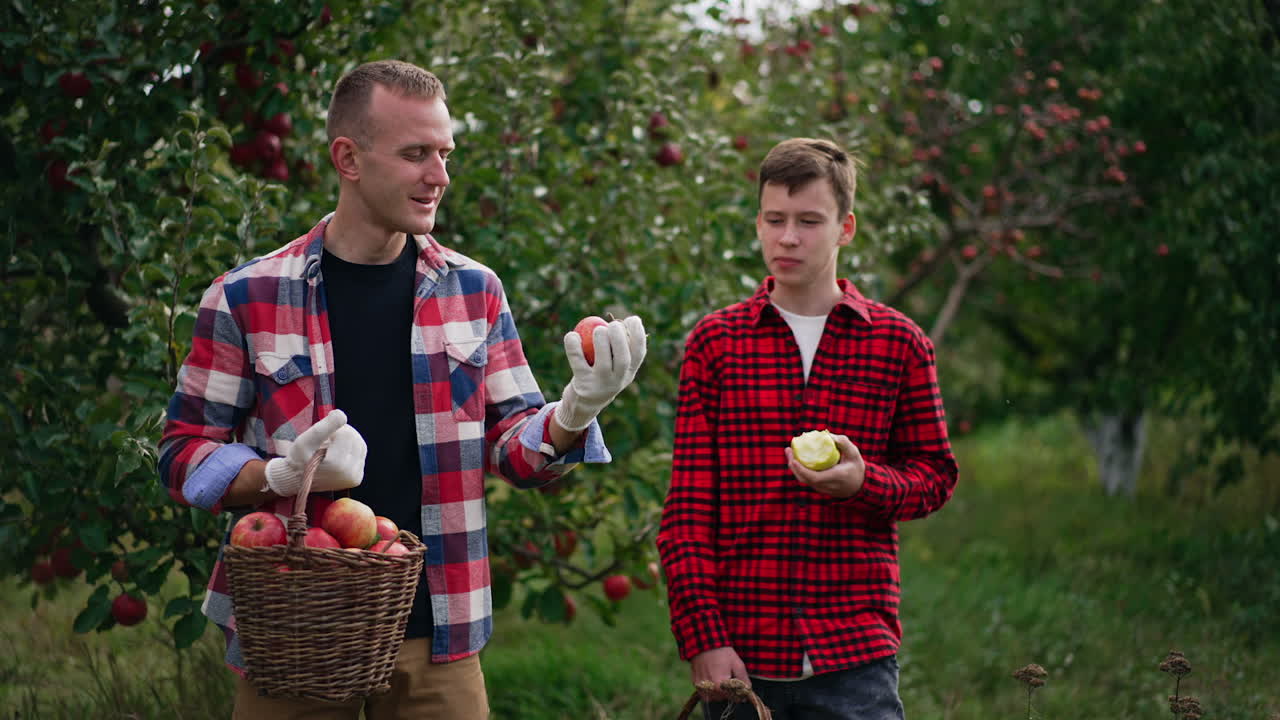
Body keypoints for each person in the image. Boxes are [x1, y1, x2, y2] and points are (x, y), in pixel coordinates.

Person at [157, 59, 646, 719]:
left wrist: (573, 413)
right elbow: (183, 452)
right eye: (416, 154)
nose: (439, 176)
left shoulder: (476, 291)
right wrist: (275, 474)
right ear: (348, 159)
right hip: (294, 630)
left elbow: (513, 448)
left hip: (439, 631)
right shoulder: (247, 295)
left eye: (444, 153)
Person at [655, 137, 957, 719]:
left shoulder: (898, 344)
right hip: (742, 653)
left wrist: (864, 483)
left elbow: (935, 477)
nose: (787, 237)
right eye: (775, 220)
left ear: (845, 228)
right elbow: (687, 511)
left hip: (854, 655)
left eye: (808, 221)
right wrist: (703, 638)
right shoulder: (717, 344)